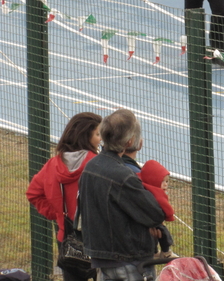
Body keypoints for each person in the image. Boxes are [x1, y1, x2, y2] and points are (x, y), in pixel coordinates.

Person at [79, 109, 165, 281]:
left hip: (102, 258)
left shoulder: (90, 167)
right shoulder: (124, 177)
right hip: (128, 259)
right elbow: (155, 214)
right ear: (130, 141)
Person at [26, 112, 102, 281]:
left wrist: (57, 214)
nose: (101, 139)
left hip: (67, 239)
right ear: (85, 136)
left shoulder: (53, 165)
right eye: (98, 134)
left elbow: (33, 193)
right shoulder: (97, 164)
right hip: (98, 240)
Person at [138, 160, 177, 259]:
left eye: (167, 181)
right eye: (162, 181)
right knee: (163, 233)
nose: (165, 184)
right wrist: (170, 216)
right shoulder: (158, 195)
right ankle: (166, 251)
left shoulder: (142, 186)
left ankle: (155, 251)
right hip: (153, 221)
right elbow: (167, 210)